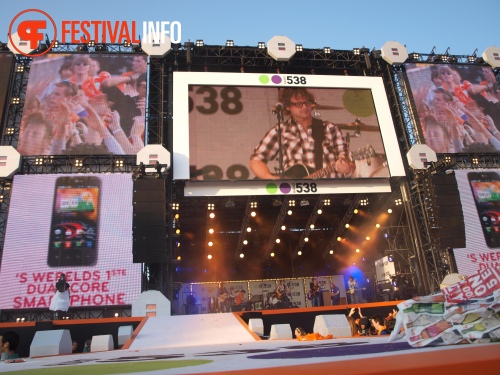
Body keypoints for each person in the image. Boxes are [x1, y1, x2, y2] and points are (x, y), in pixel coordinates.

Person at [250, 87, 355, 179]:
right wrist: (271, 178)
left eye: (307, 102)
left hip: (330, 189)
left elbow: (347, 159)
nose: (305, 107)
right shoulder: (280, 130)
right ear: (287, 106)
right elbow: (257, 160)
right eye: (298, 104)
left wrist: (347, 169)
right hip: (297, 192)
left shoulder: (330, 128)